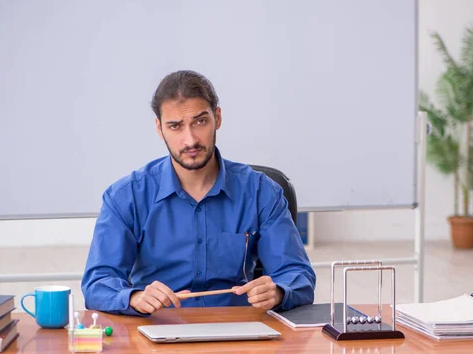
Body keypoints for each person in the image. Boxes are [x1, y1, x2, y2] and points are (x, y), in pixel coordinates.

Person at [81, 70, 316, 316]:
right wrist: (134, 297)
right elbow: (98, 283)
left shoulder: (262, 192)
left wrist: (278, 291)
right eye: (175, 126)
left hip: (239, 335)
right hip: (157, 333)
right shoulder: (125, 197)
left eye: (200, 122)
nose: (190, 140)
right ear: (159, 129)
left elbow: (297, 275)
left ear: (218, 118)